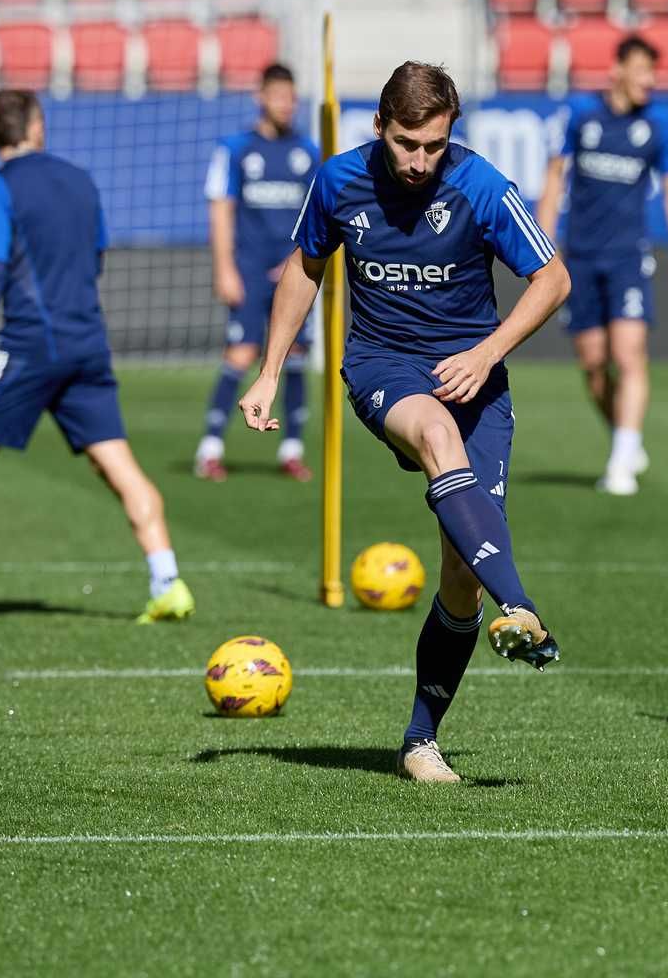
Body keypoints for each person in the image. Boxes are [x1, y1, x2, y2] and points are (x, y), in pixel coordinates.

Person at [237, 62, 570, 783]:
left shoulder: (480, 184)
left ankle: (421, 741)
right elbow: (305, 267)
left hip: (476, 377)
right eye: (406, 144)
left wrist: (486, 354)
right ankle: (524, 606)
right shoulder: (338, 181)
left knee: (460, 577)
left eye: (433, 146)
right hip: (382, 366)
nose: (419, 161)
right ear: (381, 128)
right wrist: (269, 371)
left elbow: (553, 279)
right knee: (436, 436)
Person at [0, 91, 194, 627]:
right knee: (115, 461)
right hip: (88, 341)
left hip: (27, 345)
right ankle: (168, 582)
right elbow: (95, 259)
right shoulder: (82, 181)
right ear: (38, 127)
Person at [534, 34, 668, 496]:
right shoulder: (582, 116)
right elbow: (553, 180)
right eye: (642, 69)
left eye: (653, 72)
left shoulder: (658, 125)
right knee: (593, 365)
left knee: (628, 355)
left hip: (628, 257)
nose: (650, 80)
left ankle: (622, 459)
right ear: (618, 71)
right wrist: (544, 247)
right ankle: (625, 437)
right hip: (580, 257)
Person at [193, 63, 321, 482]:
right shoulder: (235, 149)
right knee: (242, 353)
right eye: (279, 95)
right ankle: (210, 448)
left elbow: (318, 214)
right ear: (261, 97)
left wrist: (303, 260)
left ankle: (292, 448)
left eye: (292, 96)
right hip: (247, 268)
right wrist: (224, 268)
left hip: (293, 269)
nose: (287, 104)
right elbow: (221, 208)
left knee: (296, 353)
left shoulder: (308, 152)